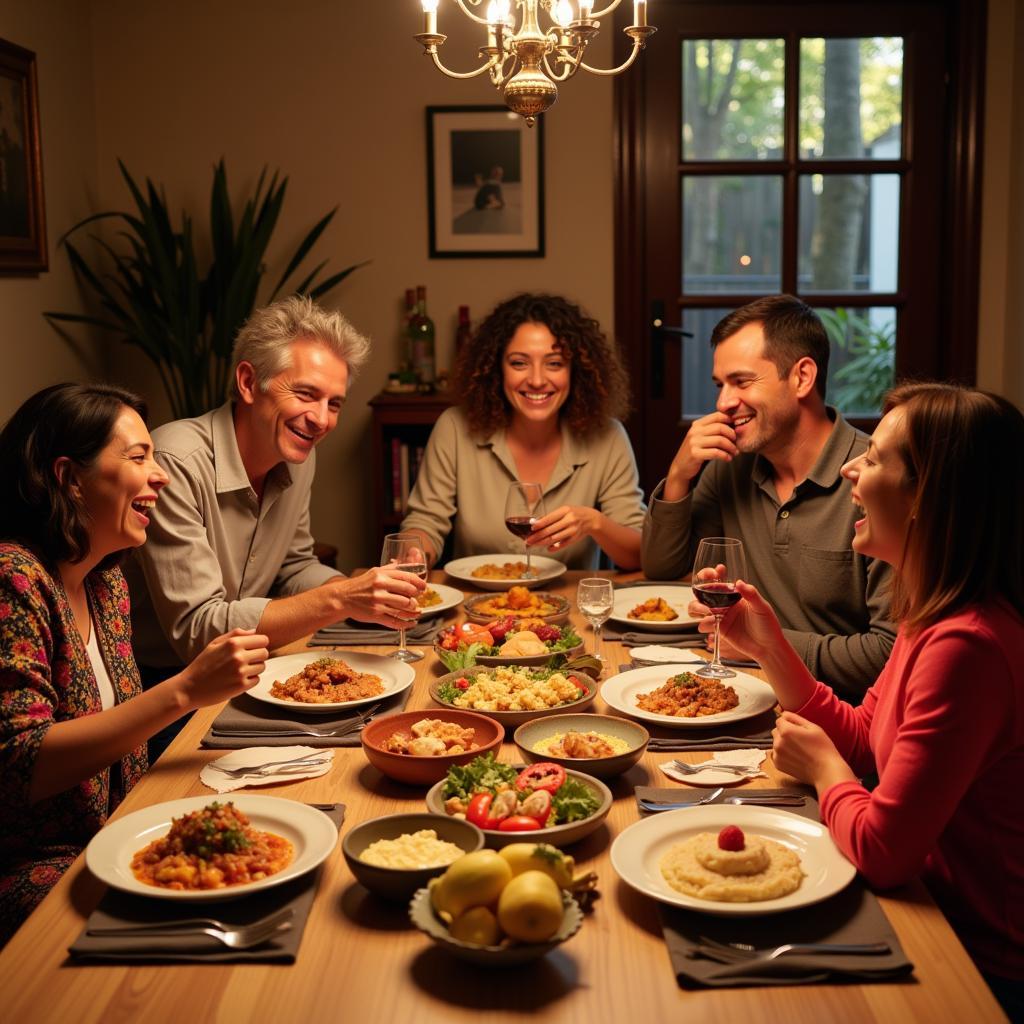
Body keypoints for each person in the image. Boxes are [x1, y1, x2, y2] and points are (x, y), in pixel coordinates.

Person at [705, 383, 1024, 1017]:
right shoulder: (928, 612)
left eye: (875, 459)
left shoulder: (969, 646)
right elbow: (861, 732)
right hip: (923, 910)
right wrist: (767, 647)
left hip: (972, 959)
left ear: (925, 499)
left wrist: (826, 772)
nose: (852, 467)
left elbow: (883, 852)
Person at [0, 383, 269, 946]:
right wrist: (184, 691)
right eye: (138, 458)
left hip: (116, 839)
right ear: (69, 477)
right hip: (34, 871)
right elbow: (19, 764)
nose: (161, 475)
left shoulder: (105, 580)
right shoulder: (12, 580)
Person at [127, 296, 426, 689]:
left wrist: (364, 590)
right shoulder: (174, 462)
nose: (321, 420)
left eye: (334, 403)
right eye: (305, 394)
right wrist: (343, 599)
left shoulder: (298, 452)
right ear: (249, 383)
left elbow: (294, 569)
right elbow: (199, 633)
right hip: (166, 687)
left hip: (253, 667)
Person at [641, 294, 895, 700]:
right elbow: (661, 567)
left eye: (741, 382)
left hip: (840, 719)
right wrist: (679, 474)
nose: (723, 403)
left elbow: (889, 656)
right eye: (719, 385)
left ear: (802, 377)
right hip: (744, 694)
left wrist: (761, 644)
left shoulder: (874, 481)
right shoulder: (729, 466)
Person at [400, 292, 646, 570]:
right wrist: (415, 554)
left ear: (576, 371)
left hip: (573, 610)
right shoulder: (455, 428)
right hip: (476, 609)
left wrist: (594, 523)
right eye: (519, 363)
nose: (537, 380)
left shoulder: (608, 437)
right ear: (497, 368)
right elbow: (425, 522)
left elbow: (639, 554)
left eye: (554, 363)